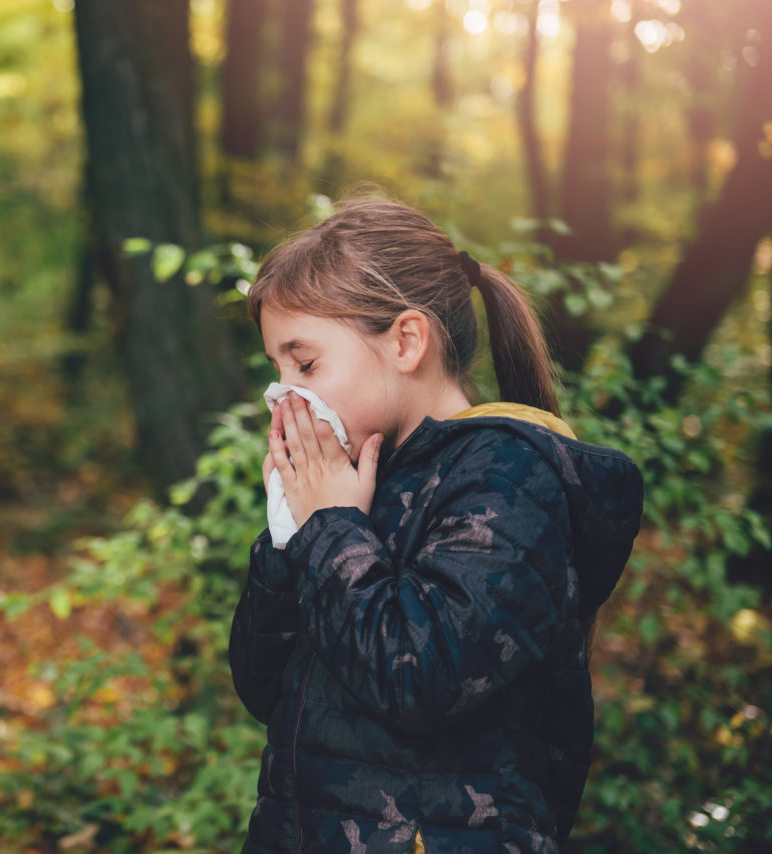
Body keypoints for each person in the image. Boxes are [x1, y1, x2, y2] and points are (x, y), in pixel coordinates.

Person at [229, 195, 643, 854]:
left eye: (304, 364)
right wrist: (289, 541)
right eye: (276, 370)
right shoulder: (356, 481)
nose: (281, 395)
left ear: (406, 340)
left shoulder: (508, 478)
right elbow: (264, 687)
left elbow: (421, 679)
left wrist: (332, 527)